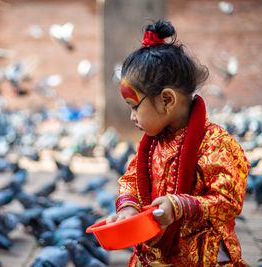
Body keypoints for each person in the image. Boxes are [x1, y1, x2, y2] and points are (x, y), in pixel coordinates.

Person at [106, 20, 249, 267]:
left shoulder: (216, 145)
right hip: (154, 254)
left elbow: (229, 201)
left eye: (134, 107)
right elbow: (131, 179)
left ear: (167, 100)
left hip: (200, 256)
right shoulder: (153, 144)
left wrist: (182, 206)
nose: (132, 118)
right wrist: (128, 208)